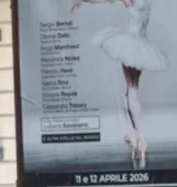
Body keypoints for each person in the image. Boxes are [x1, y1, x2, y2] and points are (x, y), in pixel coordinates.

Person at [72, 0, 169, 168]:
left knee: (131, 91)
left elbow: (105, 0)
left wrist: (83, 1)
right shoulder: (147, 2)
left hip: (132, 45)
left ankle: (139, 138)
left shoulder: (130, 1)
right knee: (131, 90)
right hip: (143, 44)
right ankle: (132, 136)